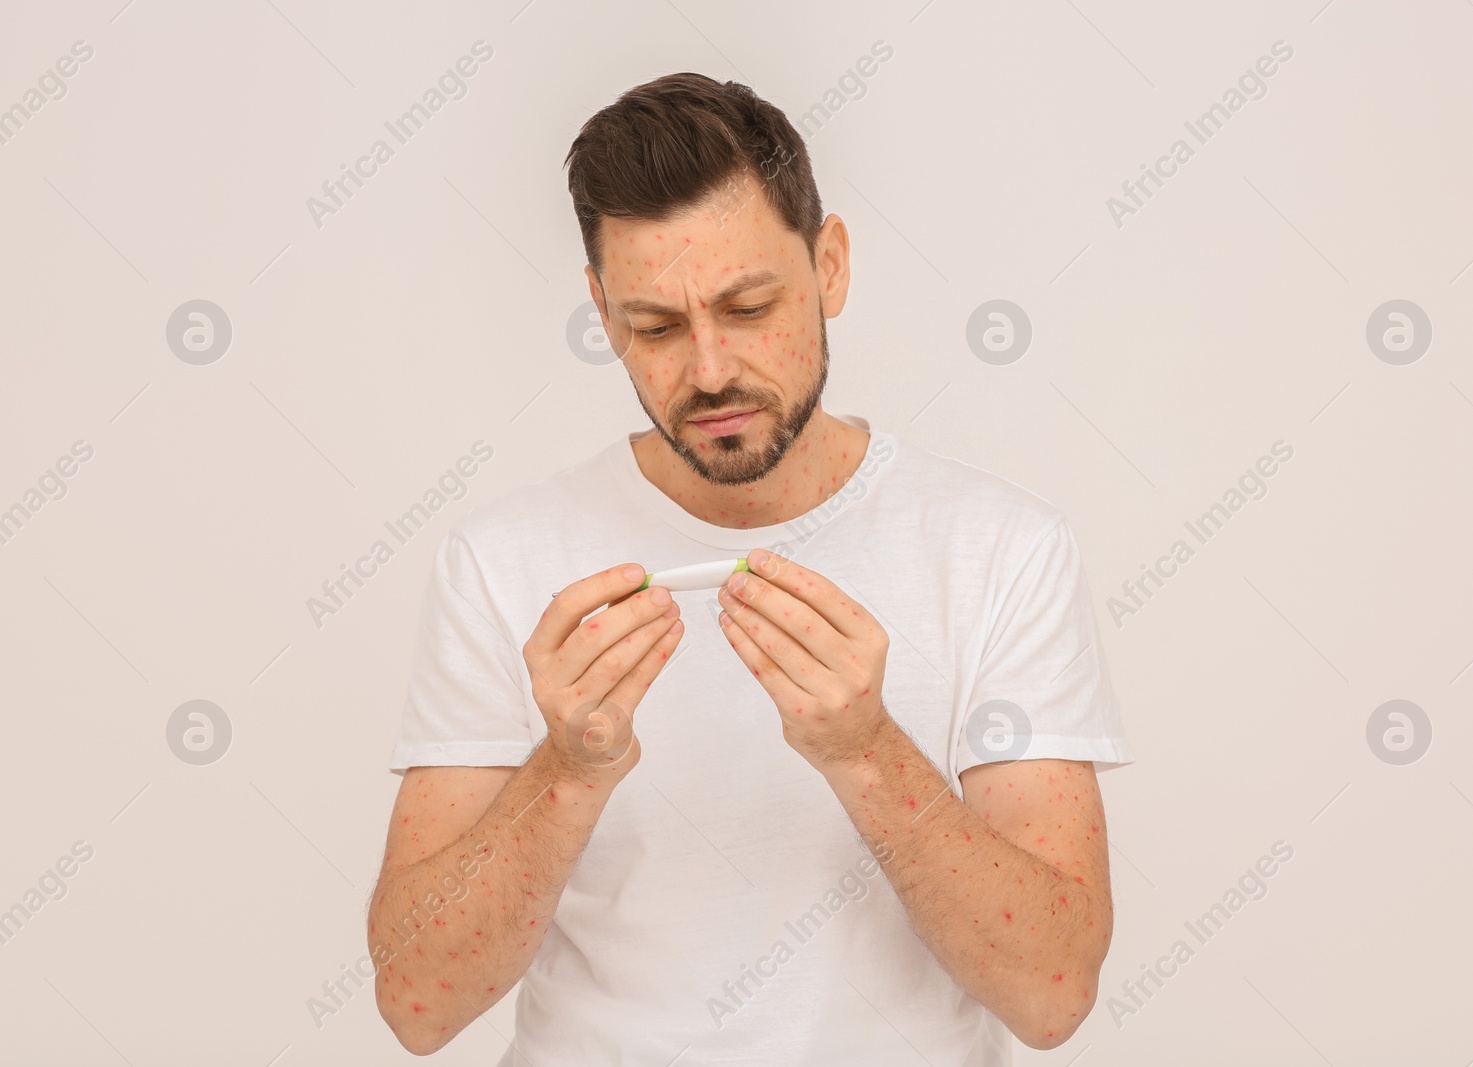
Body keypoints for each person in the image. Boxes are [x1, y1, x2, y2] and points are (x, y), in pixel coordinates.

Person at [368, 71, 1134, 1065]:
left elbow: (1051, 990)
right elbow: (416, 1002)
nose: (711, 368)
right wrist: (566, 768)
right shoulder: (502, 561)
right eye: (655, 326)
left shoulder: (1000, 549)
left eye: (747, 304)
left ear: (830, 267)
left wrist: (865, 749)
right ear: (601, 313)